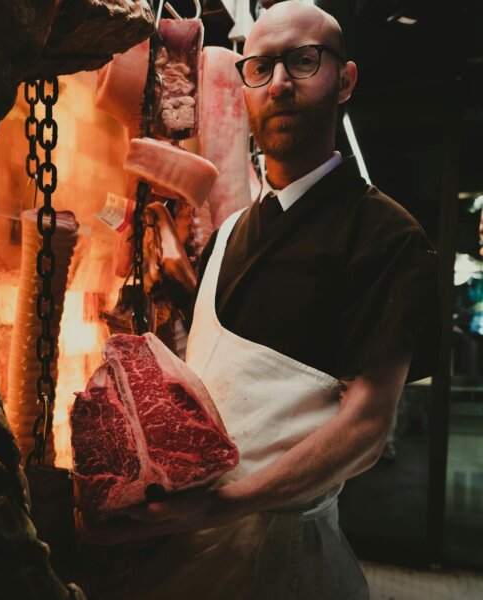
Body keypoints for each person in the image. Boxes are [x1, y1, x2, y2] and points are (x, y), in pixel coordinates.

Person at [74, 1, 439, 598]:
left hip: (287, 553)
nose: (279, 85)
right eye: (259, 68)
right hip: (188, 548)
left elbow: (369, 427)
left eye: (302, 61)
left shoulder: (387, 236)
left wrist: (219, 506)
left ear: (344, 80)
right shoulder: (229, 233)